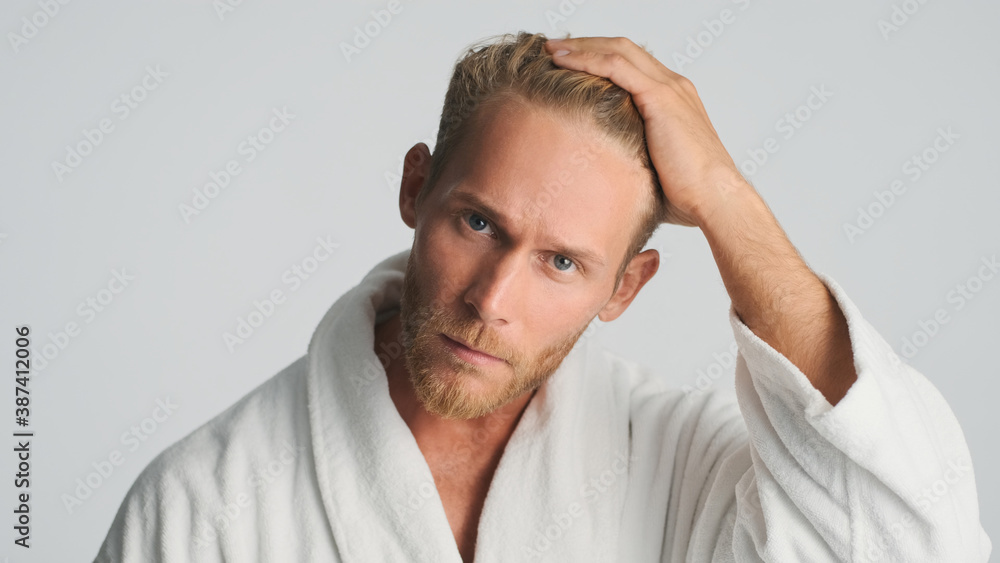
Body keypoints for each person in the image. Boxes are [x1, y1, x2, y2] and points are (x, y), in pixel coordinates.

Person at [94, 31, 991, 562]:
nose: (492, 299)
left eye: (562, 262)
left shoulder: (678, 467)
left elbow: (910, 538)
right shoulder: (204, 505)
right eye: (478, 223)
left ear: (624, 287)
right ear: (416, 188)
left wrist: (721, 193)